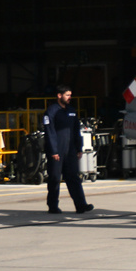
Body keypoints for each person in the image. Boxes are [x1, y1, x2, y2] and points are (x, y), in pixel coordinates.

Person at [43, 84, 92, 214]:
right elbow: (50, 132)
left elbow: (76, 130)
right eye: (67, 95)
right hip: (57, 151)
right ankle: (53, 206)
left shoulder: (71, 111)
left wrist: (79, 148)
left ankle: (81, 205)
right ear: (59, 96)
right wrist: (53, 151)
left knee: (73, 177)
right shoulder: (51, 111)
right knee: (54, 178)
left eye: (70, 95)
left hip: (70, 150)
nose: (70, 97)